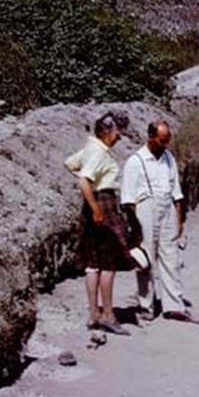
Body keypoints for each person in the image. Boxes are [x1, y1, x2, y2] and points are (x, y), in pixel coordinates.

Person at [120, 121, 199, 324]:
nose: (165, 145)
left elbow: (177, 192)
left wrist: (180, 221)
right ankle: (146, 305)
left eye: (167, 140)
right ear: (151, 137)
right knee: (146, 259)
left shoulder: (168, 158)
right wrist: (135, 229)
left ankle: (174, 306)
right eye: (162, 141)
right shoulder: (135, 161)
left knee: (171, 257)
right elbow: (128, 200)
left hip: (167, 208)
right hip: (145, 209)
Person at [64, 110, 135, 335]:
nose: (119, 136)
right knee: (109, 264)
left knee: (93, 263)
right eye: (117, 131)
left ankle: (94, 313)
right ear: (106, 131)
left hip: (93, 205)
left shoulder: (91, 147)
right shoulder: (99, 152)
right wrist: (97, 208)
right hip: (103, 204)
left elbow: (70, 164)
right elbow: (84, 180)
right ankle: (108, 315)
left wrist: (91, 200)